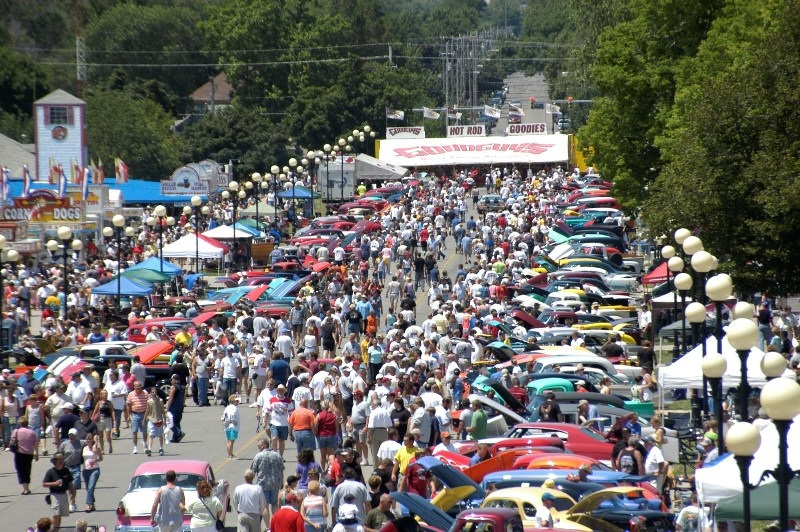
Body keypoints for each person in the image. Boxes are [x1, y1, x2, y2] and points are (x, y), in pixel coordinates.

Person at [251, 438, 284, 522]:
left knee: (264, 506)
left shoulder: (258, 456)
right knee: (275, 504)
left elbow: (252, 471)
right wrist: (282, 483)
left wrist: (250, 484)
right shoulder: (277, 455)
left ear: (263, 445)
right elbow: (281, 471)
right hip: (275, 484)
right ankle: (276, 524)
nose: (258, 447)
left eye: (259, 445)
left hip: (262, 484)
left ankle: (268, 526)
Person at [42, 452, 74, 532]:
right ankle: (50, 530)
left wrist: (72, 495)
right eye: (59, 459)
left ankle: (56, 530)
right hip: (54, 495)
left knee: (59, 516)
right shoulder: (50, 471)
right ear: (55, 461)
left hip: (64, 495)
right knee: (56, 514)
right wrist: (54, 483)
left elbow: (70, 484)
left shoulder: (66, 470)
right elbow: (44, 484)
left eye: (62, 459)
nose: (61, 461)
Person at [11, 415, 39, 495]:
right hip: (29, 454)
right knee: (27, 470)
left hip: (19, 453)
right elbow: (35, 444)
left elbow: (12, 441)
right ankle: (27, 487)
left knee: (20, 471)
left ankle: (25, 488)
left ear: (19, 424)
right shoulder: (32, 432)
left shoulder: (16, 431)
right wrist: (36, 454)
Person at [80, 433, 102, 512]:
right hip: (85, 470)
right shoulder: (83, 448)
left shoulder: (96, 448)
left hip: (94, 470)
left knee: (91, 487)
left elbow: (101, 458)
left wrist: (95, 460)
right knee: (88, 488)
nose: (88, 440)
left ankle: (88, 505)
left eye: (89, 439)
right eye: (87, 439)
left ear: (92, 439)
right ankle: (92, 505)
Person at [145, 386, 167, 456]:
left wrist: (165, 420)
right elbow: (147, 411)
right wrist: (145, 418)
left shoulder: (160, 401)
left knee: (160, 435)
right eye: (153, 392)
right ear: (150, 393)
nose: (154, 393)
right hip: (151, 420)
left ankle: (161, 448)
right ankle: (149, 449)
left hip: (159, 420)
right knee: (151, 434)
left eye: (155, 392)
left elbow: (163, 411)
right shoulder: (149, 401)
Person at [222, 394, 241, 459]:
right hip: (232, 427)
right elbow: (233, 415)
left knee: (229, 441)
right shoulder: (234, 408)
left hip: (227, 427)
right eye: (237, 401)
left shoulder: (227, 407)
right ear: (233, 401)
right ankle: (230, 455)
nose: (238, 402)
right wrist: (234, 421)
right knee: (231, 441)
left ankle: (230, 454)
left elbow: (223, 416)